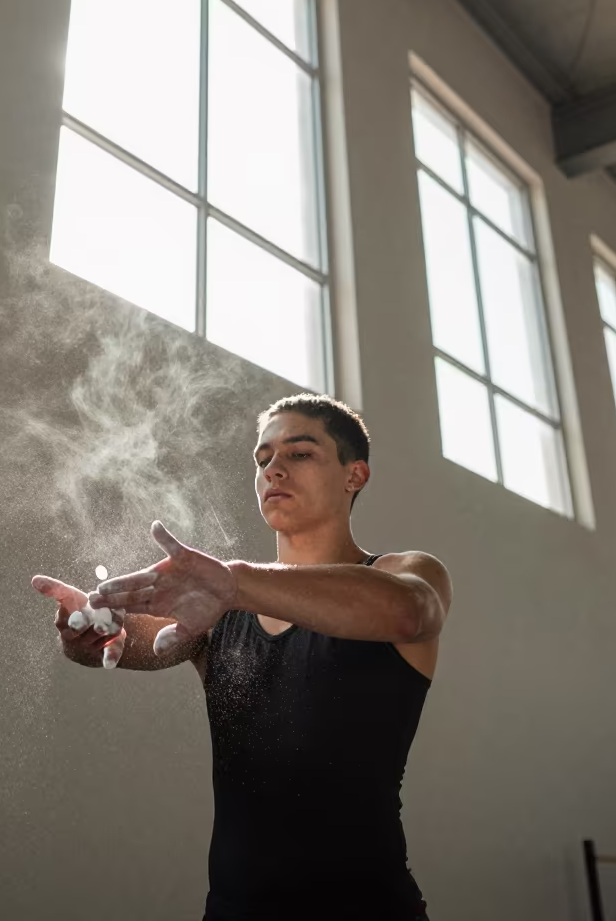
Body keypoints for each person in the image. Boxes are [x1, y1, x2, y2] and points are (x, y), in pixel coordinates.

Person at [33, 392, 452, 920]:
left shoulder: (404, 574)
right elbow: (129, 642)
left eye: (299, 454)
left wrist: (234, 583)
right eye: (263, 459)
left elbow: (413, 612)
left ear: (355, 475)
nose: (274, 468)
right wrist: (90, 629)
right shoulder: (222, 608)